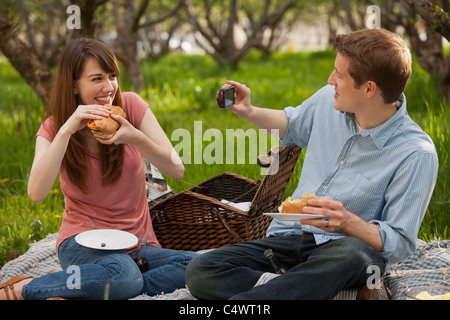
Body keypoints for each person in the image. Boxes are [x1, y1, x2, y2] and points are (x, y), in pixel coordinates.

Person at [185, 28, 439, 300]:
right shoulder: (328, 101)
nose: (330, 80)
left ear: (368, 89)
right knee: (202, 269)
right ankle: (315, 291)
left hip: (346, 252)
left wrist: (347, 223)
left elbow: (399, 244)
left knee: (351, 254)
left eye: (340, 75)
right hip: (289, 239)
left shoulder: (416, 153)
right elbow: (291, 125)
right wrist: (248, 111)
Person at [0, 38, 197, 300]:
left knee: (198, 266)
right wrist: (67, 130)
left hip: (137, 244)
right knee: (123, 277)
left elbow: (177, 170)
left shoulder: (132, 106)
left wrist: (135, 137)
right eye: (96, 79)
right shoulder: (54, 126)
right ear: (73, 84)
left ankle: (90, 288)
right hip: (82, 241)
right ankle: (25, 288)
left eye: (112, 76)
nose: (109, 87)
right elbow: (36, 193)